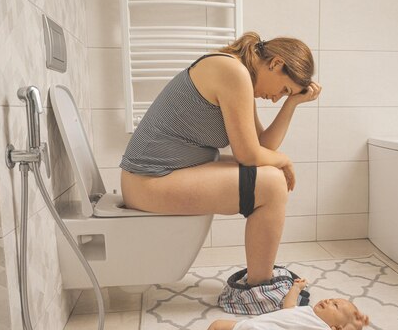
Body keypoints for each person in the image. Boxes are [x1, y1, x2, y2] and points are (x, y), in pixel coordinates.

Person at [120, 32, 321, 286]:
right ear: (276, 63)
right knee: (271, 184)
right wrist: (284, 160)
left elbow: (261, 146)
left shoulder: (239, 72)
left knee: (272, 176)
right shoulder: (232, 72)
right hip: (148, 182)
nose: (275, 97)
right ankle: (258, 289)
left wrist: (291, 104)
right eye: (283, 89)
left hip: (153, 177)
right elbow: (248, 155)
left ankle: (259, 280)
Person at [179, 279, 370, 330]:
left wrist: (352, 328)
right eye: (331, 298)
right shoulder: (306, 311)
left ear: (336, 328)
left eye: (335, 306)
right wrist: (296, 288)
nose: (328, 301)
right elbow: (288, 306)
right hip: (252, 325)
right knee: (218, 324)